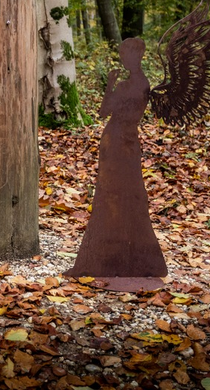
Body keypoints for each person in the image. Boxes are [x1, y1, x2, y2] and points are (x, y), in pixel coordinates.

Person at [66, 38, 167, 278]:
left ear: (139, 56)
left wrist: (110, 85)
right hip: (124, 143)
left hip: (119, 142)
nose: (126, 60)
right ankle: (119, 258)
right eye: (123, 56)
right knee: (123, 197)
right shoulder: (144, 84)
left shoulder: (130, 85)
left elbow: (104, 111)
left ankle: (117, 259)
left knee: (117, 196)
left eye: (129, 56)